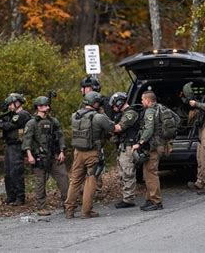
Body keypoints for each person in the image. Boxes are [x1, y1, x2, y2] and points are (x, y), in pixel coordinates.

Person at [65, 91, 115, 219]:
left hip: (77, 152)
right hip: (92, 152)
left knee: (75, 181)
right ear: (95, 103)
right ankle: (86, 211)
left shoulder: (74, 116)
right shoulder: (98, 117)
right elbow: (112, 128)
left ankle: (69, 210)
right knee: (90, 180)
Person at [22, 96, 69, 216]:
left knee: (63, 178)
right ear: (38, 107)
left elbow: (60, 137)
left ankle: (68, 203)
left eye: (48, 105)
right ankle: (40, 206)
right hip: (39, 157)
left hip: (54, 155)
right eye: (45, 105)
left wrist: (62, 151)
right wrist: (29, 155)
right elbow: (27, 140)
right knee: (40, 182)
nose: (47, 107)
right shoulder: (32, 123)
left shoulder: (53, 121)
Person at [0, 93, 31, 206]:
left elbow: (10, 126)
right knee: (8, 172)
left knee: (16, 171)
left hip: (16, 146)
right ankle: (11, 196)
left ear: (17, 103)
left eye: (11, 104)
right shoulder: (11, 115)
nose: (10, 107)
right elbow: (6, 123)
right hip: (9, 145)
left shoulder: (22, 115)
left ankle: (20, 197)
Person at [131, 90, 164, 211]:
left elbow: (149, 129)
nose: (141, 101)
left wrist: (140, 143)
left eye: (142, 99)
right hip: (154, 145)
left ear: (148, 101)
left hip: (152, 147)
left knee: (151, 174)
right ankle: (149, 199)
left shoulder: (150, 111)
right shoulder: (159, 108)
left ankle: (156, 201)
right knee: (147, 174)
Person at [110, 92, 140, 209]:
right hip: (123, 146)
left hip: (129, 146)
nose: (113, 108)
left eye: (114, 105)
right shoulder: (122, 114)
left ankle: (129, 199)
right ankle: (126, 197)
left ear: (119, 102)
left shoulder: (130, 113)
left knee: (128, 172)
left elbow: (119, 128)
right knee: (123, 172)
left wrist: (104, 124)